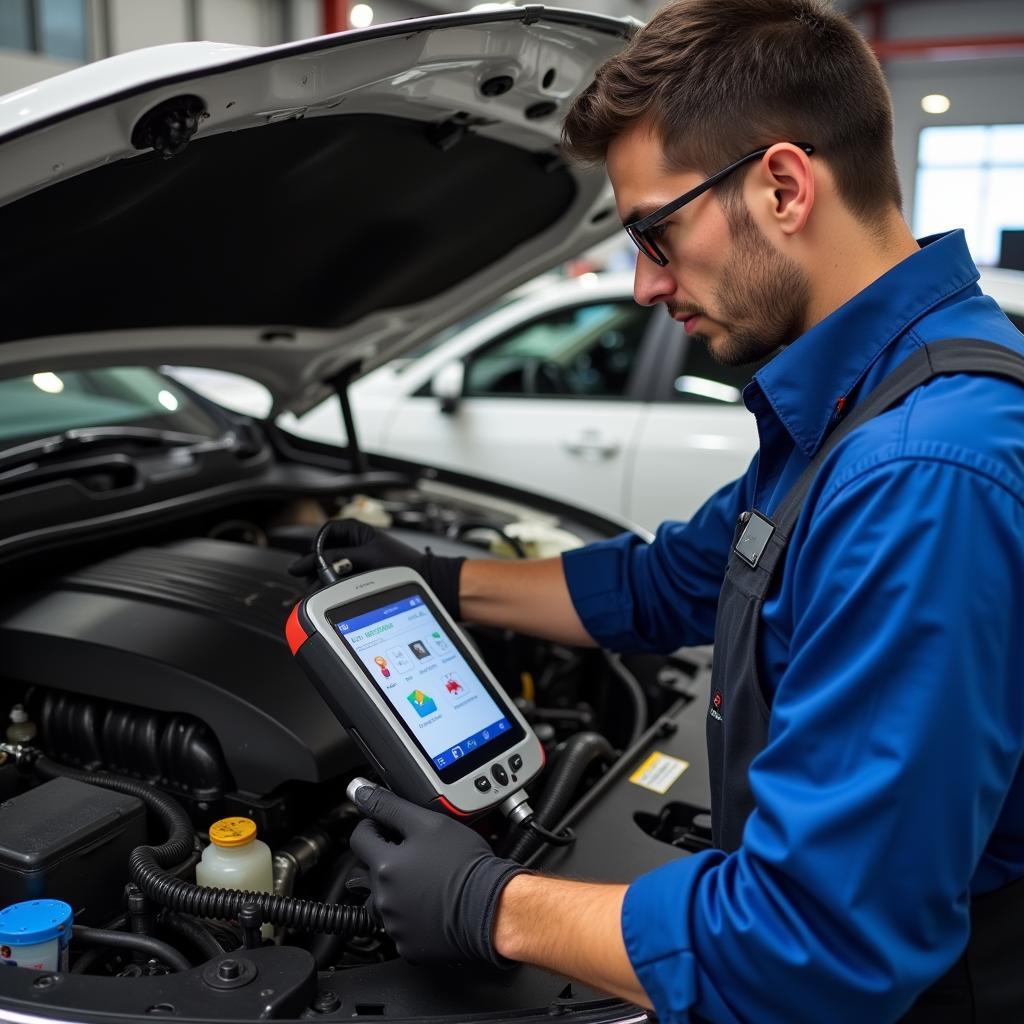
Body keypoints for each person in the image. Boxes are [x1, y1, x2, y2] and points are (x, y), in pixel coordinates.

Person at [294, 0, 1024, 1019]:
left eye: (654, 231)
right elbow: (665, 580)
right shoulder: (873, 397)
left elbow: (812, 946)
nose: (641, 283)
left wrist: (489, 902)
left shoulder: (919, 474)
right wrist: (434, 577)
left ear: (780, 185)